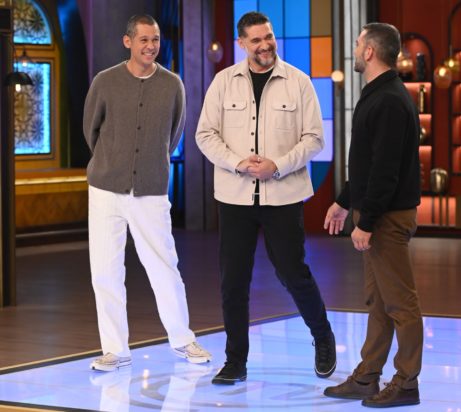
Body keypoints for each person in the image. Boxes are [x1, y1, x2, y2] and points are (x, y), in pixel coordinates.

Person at [196, 11, 335, 385]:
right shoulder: (223, 82)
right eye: (256, 40)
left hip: (284, 195)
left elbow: (314, 138)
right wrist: (238, 162)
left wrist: (278, 166)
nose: (265, 45)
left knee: (293, 272)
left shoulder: (299, 82)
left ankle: (323, 336)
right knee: (233, 281)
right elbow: (205, 134)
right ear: (242, 44)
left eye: (268, 37)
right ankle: (235, 361)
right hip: (235, 197)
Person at [83, 14, 211, 372]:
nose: (151, 46)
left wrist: (149, 164)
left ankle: (183, 340)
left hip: (151, 190)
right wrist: (113, 161)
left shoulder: (172, 85)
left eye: (155, 40)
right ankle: (115, 349)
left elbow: (174, 134)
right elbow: (91, 130)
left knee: (164, 265)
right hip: (105, 189)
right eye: (144, 40)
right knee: (104, 271)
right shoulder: (105, 81)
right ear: (128, 42)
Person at [323, 23, 422, 408]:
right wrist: (344, 201)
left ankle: (407, 382)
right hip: (376, 213)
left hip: (387, 218)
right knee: (379, 302)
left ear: (369, 52)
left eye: (358, 42)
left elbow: (385, 171)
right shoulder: (378, 94)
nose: (354, 48)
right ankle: (367, 376)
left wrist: (365, 222)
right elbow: (366, 162)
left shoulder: (390, 100)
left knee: (401, 303)